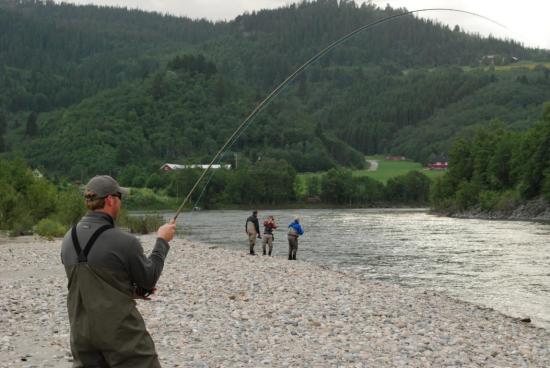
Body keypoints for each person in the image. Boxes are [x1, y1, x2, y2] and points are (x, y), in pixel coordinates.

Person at [60, 175, 176, 367]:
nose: (121, 203)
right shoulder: (124, 241)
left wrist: (127, 290)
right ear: (110, 200)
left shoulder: (67, 239)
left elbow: (90, 281)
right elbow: (149, 279)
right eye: (120, 198)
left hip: (81, 335)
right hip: (121, 335)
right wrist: (162, 241)